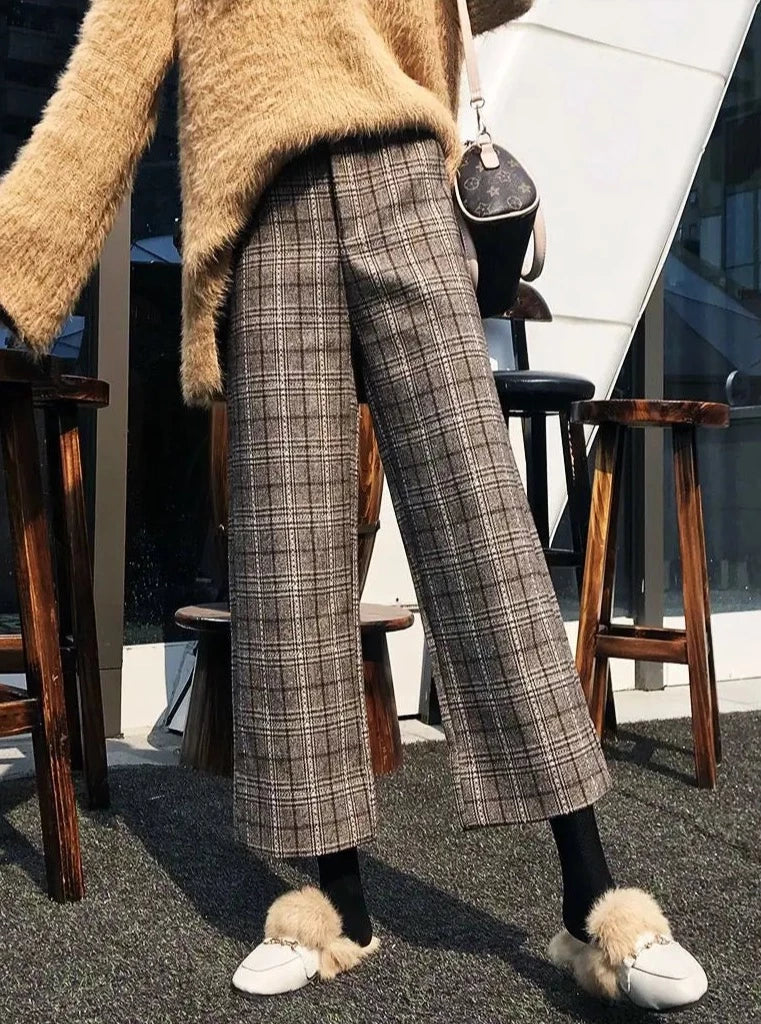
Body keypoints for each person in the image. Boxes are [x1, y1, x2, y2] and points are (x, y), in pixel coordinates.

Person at [0, 0, 707, 1011]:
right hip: (265, 215)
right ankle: (336, 904)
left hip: (405, 180)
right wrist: (15, 260)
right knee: (286, 565)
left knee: (484, 532)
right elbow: (105, 86)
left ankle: (592, 898)